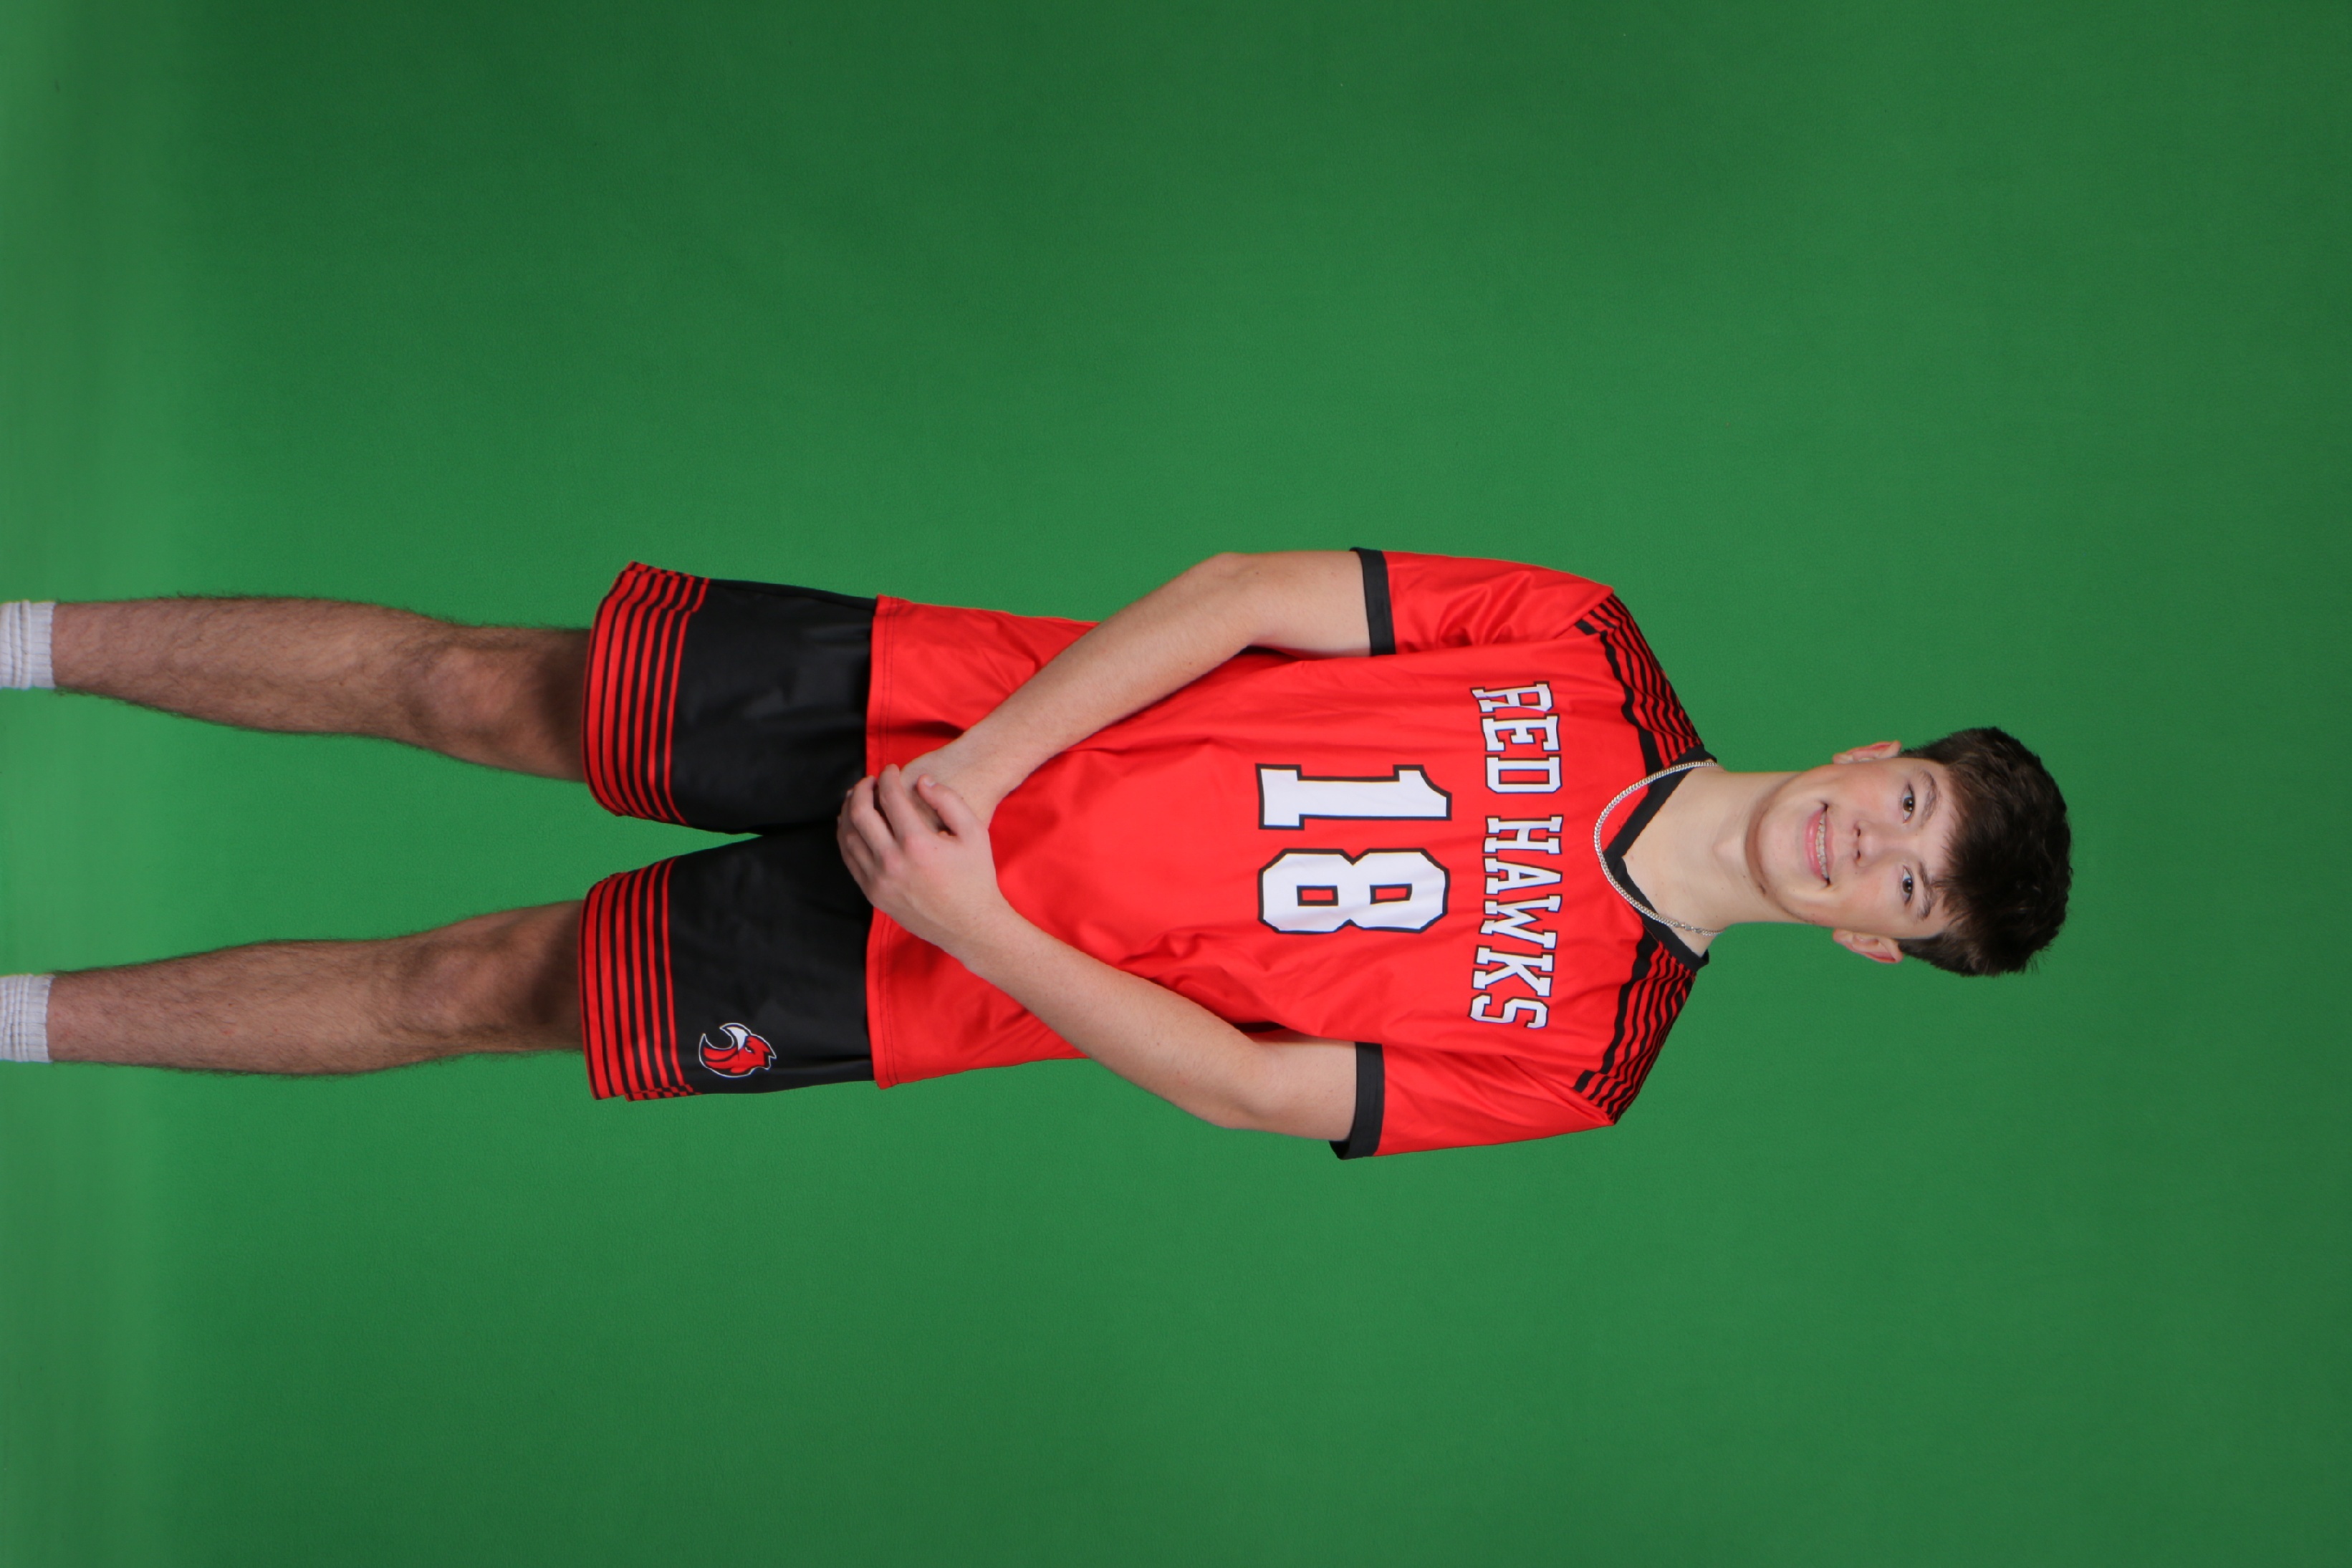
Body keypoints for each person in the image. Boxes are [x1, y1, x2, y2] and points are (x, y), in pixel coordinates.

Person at [0, 549, 2070, 1157]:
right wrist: (980, 771)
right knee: (475, 683)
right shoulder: (1585, 644)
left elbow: (1255, 1087)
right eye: (1910, 805)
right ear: (1874, 754)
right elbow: (1246, 596)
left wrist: (969, 913)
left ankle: (19, 1022)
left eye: (1909, 886)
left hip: (928, 959)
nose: (1871, 846)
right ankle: (25, 640)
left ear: (1875, 946)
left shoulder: (1583, 1060)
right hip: (932, 704)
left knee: (467, 990)